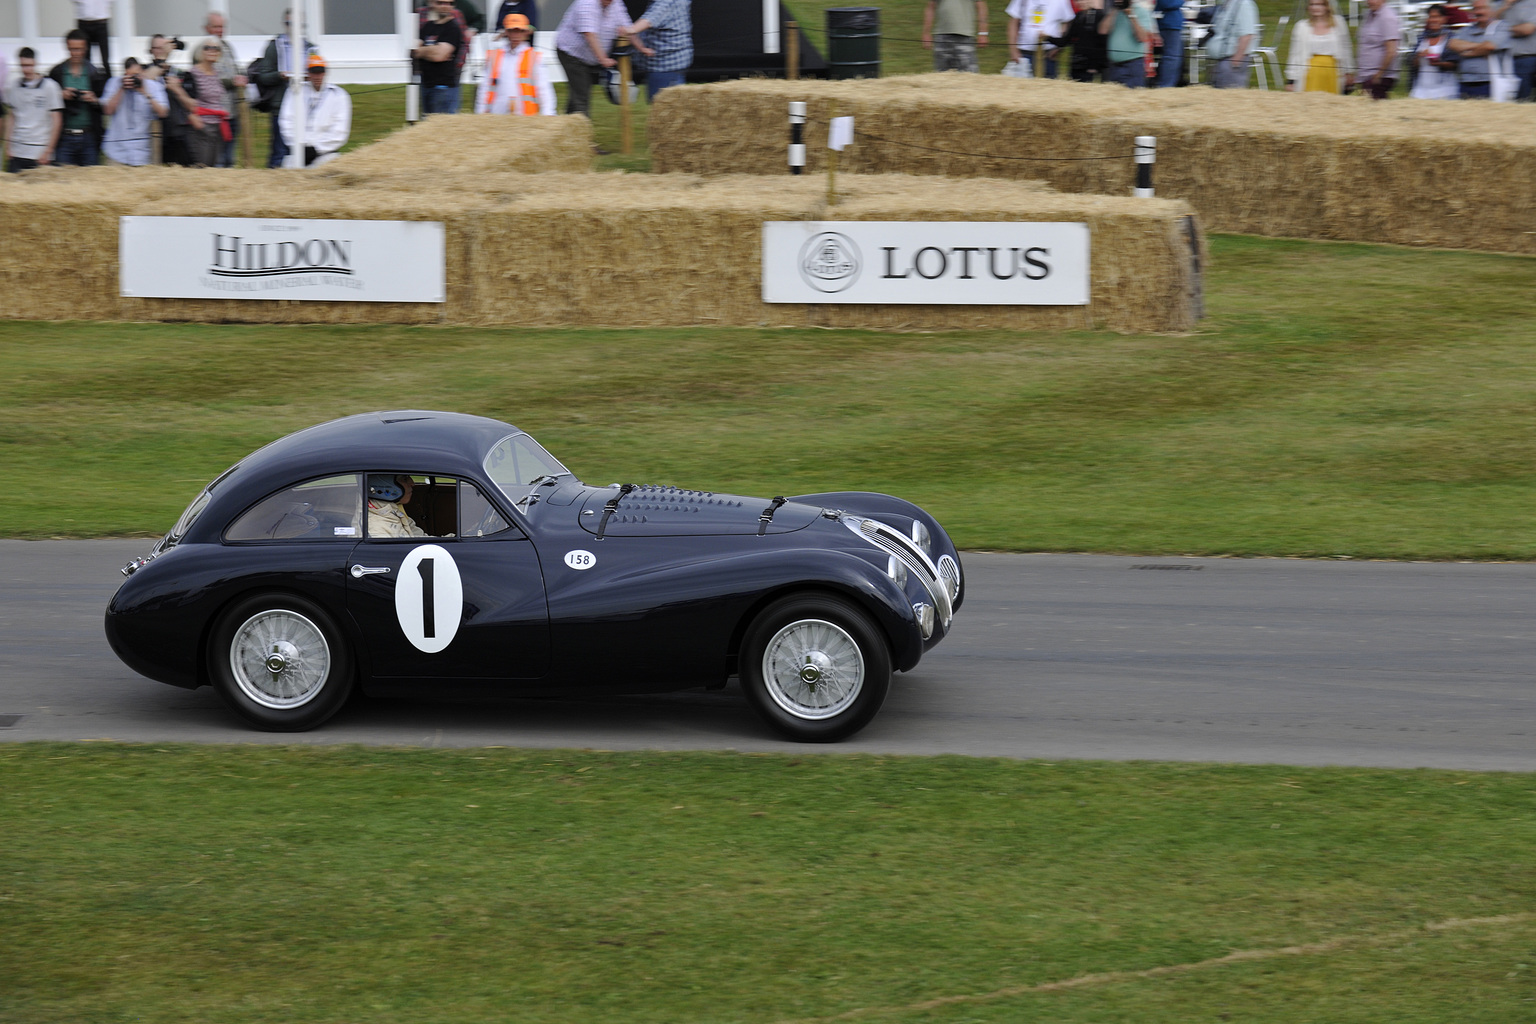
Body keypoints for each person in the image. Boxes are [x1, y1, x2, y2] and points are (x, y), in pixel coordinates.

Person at [555, 0, 649, 116]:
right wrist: (603, 59)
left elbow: (628, 29)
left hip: (591, 57)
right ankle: (581, 127)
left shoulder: (616, 4)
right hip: (572, 54)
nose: (609, 2)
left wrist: (642, 48)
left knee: (579, 92)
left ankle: (568, 123)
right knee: (581, 94)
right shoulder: (586, 4)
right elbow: (590, 35)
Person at [252, 10, 314, 167]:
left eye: (295, 24)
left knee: (302, 152)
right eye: (288, 23)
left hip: (305, 107)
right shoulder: (275, 46)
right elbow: (263, 76)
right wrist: (280, 75)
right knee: (280, 151)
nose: (292, 27)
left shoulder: (310, 48)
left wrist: (309, 77)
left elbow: (319, 74)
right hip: (281, 107)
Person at [278, 54, 351, 166]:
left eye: (320, 72)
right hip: (297, 154)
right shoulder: (295, 92)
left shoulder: (339, 95)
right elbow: (286, 121)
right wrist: (298, 147)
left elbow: (340, 130)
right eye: (314, 72)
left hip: (326, 155)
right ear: (308, 73)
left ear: (325, 73)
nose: (317, 76)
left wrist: (317, 149)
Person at [48, 29, 108, 166]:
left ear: (86, 48)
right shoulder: (57, 72)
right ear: (67, 48)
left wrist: (94, 99)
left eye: (79, 49)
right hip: (64, 137)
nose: (76, 53)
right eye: (72, 49)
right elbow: (47, 100)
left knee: (91, 181)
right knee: (63, 182)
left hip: (89, 137)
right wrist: (60, 95)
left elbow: (105, 106)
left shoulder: (95, 73)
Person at [477, 14, 558, 114]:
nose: (516, 35)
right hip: (496, 116)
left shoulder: (534, 58)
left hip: (525, 119)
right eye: (512, 31)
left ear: (526, 33)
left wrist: (548, 113)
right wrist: (480, 113)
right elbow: (485, 87)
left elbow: (544, 90)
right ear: (506, 32)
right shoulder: (495, 56)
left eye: (520, 31)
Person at [173, 38, 232, 166]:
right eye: (208, 48)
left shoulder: (216, 73)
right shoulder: (192, 73)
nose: (212, 51)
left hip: (217, 126)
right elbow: (182, 98)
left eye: (216, 48)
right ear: (201, 51)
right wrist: (190, 115)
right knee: (202, 168)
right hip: (200, 127)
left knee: (213, 168)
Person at [100, 57, 168, 165]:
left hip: (142, 153)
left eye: (136, 75)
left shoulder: (153, 86)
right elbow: (107, 110)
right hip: (116, 152)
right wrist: (121, 88)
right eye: (129, 75)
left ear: (142, 72)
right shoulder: (114, 83)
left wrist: (145, 92)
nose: (132, 79)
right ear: (124, 73)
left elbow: (163, 112)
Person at [4, 49, 63, 172]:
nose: (26, 70)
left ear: (36, 63)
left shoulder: (50, 86)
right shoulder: (14, 86)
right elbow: (12, 117)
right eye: (23, 66)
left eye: (29, 65)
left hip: (39, 151)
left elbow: (57, 120)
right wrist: (8, 146)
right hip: (18, 151)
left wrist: (49, 150)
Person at [416, 0, 474, 113]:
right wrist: (432, 51)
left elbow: (439, 55)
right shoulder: (428, 26)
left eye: (449, 4)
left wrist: (423, 51)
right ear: (433, 4)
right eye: (440, 3)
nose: (445, 6)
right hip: (427, 85)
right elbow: (414, 51)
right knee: (428, 125)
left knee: (443, 126)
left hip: (444, 87)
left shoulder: (452, 28)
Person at [204, 12, 246, 167]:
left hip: (232, 112)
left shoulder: (227, 47)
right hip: (215, 114)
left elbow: (236, 68)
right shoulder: (203, 50)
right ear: (207, 28)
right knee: (218, 159)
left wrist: (242, 76)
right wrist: (232, 82)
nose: (220, 30)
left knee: (230, 158)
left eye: (222, 26)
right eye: (216, 26)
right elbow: (208, 79)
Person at [1285, 0, 1354, 92]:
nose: (1315, 8)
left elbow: (1346, 48)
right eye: (1312, 4)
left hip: (1333, 72)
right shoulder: (1301, 26)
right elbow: (1295, 53)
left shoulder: (1339, 23)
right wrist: (1291, 80)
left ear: (1327, 6)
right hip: (1310, 72)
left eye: (1319, 4)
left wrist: (1348, 72)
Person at [1448, 0, 1513, 97]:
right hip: (1465, 82)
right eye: (1475, 9)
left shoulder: (1502, 27)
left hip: (1491, 84)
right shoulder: (1466, 30)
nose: (1478, 12)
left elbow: (1490, 46)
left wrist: (1466, 51)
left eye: (1482, 8)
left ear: (1491, 10)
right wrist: (1481, 47)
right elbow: (1452, 44)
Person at [631, 0, 693, 100]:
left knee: (662, 107)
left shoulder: (665, 2)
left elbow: (650, 19)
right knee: (675, 105)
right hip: (675, 61)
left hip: (665, 65)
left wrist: (631, 30)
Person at [1005, 0, 1074, 78]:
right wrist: (1013, 51)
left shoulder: (1061, 1)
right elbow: (1013, 23)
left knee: (1048, 86)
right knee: (1022, 87)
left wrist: (1059, 47)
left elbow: (1068, 22)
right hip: (1025, 54)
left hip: (1048, 54)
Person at [1048, 0, 1111, 81]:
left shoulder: (1099, 16)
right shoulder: (1078, 17)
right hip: (1076, 63)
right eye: (1079, 1)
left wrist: (1094, 65)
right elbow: (1066, 40)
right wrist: (1047, 37)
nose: (1082, 3)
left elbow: (1102, 43)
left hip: (1090, 66)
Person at [1102, 0, 1159, 85]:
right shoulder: (1114, 12)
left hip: (1132, 65)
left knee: (1133, 97)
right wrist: (1113, 11)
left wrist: (1131, 15)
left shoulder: (1142, 11)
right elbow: (1103, 30)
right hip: (1114, 65)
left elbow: (1143, 37)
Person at [1410, 5, 1462, 98]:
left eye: (1436, 17)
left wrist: (1439, 63)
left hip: (1445, 91)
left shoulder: (1451, 38)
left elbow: (1455, 64)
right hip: (1421, 91)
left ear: (1444, 19)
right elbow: (1413, 64)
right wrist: (1419, 56)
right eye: (1430, 17)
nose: (1432, 20)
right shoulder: (1422, 38)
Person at [923, 0, 989, 73]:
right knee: (941, 76)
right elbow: (931, 6)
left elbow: (981, 5)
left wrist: (983, 33)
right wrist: (926, 33)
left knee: (969, 76)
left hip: (964, 36)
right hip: (941, 37)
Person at [1204, 0, 1258, 87]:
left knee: (1229, 96)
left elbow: (1247, 35)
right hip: (1222, 61)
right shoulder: (1226, 3)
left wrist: (1235, 61)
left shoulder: (1244, 4)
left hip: (1231, 61)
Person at [1356, 0, 1401, 98]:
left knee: (1375, 110)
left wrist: (1379, 74)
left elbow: (1391, 51)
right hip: (1367, 75)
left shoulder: (1388, 17)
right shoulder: (1368, 15)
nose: (1370, 1)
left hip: (1379, 77)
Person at [1491, 0, 1536, 98]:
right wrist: (1505, 5)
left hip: (1527, 58)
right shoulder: (1498, 5)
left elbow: (1527, 29)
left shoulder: (1532, 3)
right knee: (1509, 100)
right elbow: (1488, 27)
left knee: (1523, 100)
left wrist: (1501, 30)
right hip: (1503, 60)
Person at [1151, 0, 1185, 86]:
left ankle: (1170, 84)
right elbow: (1167, 3)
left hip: (1171, 23)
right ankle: (1166, 85)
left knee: (1174, 58)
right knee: (1171, 57)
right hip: (1168, 24)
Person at [74, 0, 113, 72]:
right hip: (84, 21)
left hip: (101, 21)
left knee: (105, 58)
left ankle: (108, 79)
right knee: (85, 57)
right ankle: (86, 79)